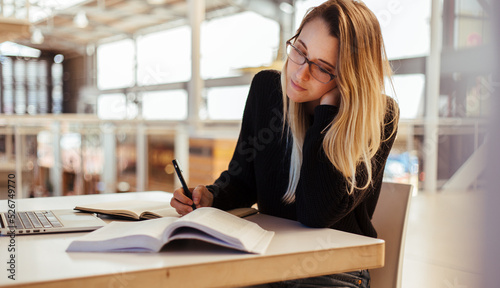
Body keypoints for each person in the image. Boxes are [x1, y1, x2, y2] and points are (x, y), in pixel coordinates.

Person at [171, 0, 399, 286]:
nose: (299, 73)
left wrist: (329, 110)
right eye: (300, 51)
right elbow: (243, 180)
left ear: (348, 79)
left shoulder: (376, 116)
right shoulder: (267, 90)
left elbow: (316, 214)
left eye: (323, 68)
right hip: (269, 258)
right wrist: (212, 196)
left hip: (335, 269)